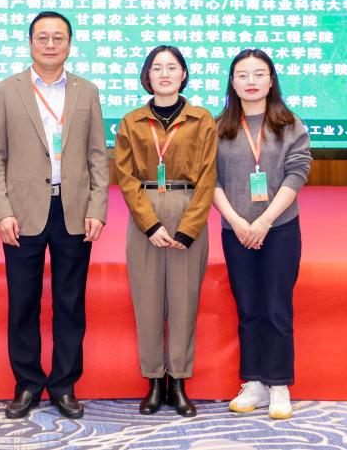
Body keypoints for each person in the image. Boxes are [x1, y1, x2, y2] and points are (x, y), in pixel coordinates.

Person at [0, 11, 109, 420]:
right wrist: (1, 211)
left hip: (73, 209)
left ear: (70, 44)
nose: (51, 44)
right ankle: (27, 384)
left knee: (70, 302)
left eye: (59, 38)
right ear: (30, 43)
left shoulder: (86, 91)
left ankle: (64, 385)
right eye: (43, 37)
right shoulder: (6, 90)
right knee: (23, 301)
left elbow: (97, 155)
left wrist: (97, 208)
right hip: (22, 212)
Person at [113, 45, 218, 417]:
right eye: (157, 68)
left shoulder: (202, 119)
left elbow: (208, 175)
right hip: (146, 212)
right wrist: (149, 223)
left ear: (183, 74)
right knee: (148, 302)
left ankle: (179, 381)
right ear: (147, 76)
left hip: (188, 208)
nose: (164, 74)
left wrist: (190, 228)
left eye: (172, 67)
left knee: (184, 301)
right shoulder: (131, 121)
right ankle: (155, 381)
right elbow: (125, 177)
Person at [212, 48, 312, 420]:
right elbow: (210, 181)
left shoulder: (289, 124)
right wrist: (237, 222)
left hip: (280, 229)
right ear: (232, 82)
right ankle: (253, 382)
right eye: (242, 75)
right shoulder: (218, 127)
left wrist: (265, 221)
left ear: (271, 81)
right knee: (249, 309)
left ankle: (279, 384)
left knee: (276, 308)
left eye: (259, 74)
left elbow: (297, 174)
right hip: (235, 230)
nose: (251, 82)